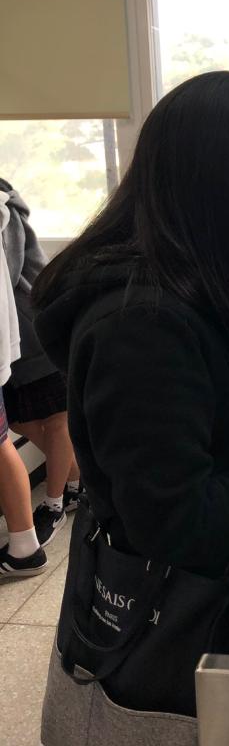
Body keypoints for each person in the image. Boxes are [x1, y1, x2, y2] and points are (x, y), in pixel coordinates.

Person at [33, 71, 229, 738]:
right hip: (167, 637)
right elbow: (176, 517)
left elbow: (211, 405)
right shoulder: (139, 328)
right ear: (215, 202)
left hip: (218, 601)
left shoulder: (191, 285)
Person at [0, 178, 81, 547]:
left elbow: (9, 269)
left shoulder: (5, 207)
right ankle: (79, 480)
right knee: (21, 419)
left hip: (37, 327)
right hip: (18, 336)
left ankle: (54, 503)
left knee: (58, 419)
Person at [0, 190, 47, 579]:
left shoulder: (6, 208)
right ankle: (25, 546)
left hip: (33, 335)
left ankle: (27, 545)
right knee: (7, 435)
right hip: (17, 339)